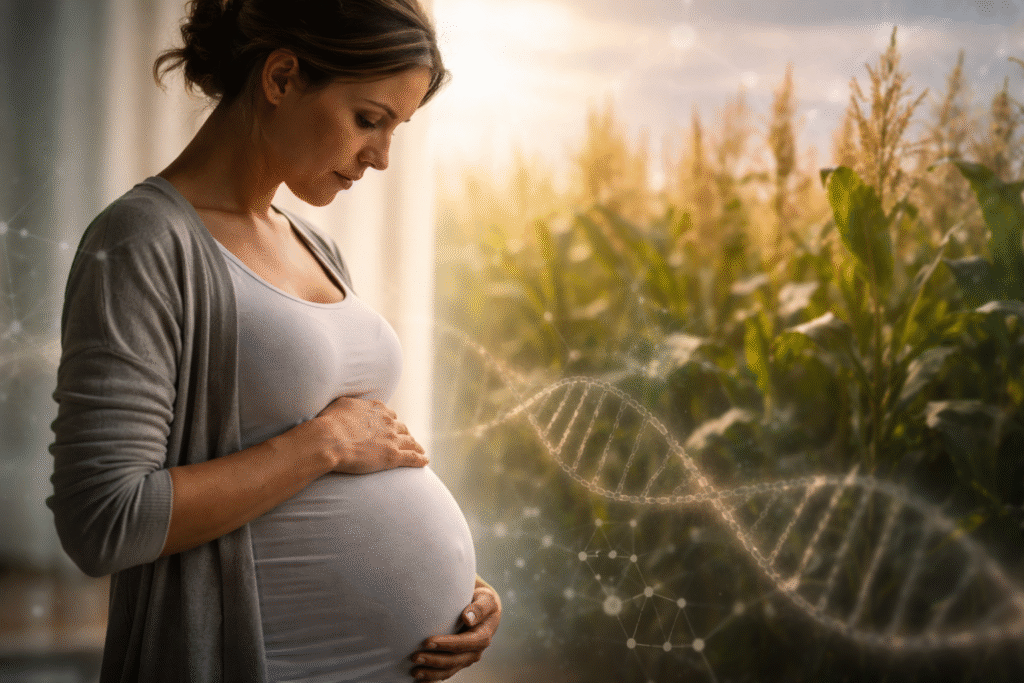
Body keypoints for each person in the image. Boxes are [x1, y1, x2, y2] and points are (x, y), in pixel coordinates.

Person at [46, 0, 501, 681]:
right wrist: (323, 445)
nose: (379, 157)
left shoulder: (312, 243)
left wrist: (462, 589)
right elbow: (105, 519)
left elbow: (342, 472)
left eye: (395, 129)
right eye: (368, 119)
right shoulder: (144, 241)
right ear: (283, 77)